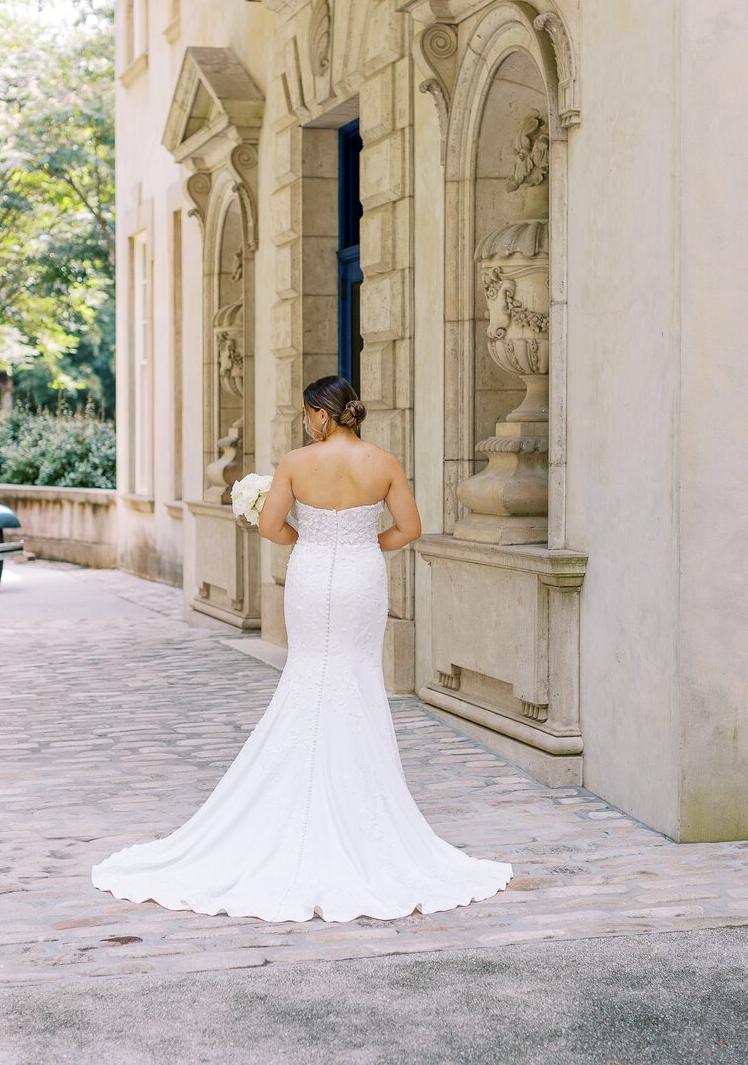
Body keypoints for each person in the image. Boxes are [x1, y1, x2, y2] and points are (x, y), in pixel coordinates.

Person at [91, 375, 513, 921]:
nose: (303, 421)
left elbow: (271, 526)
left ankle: (294, 809)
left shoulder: (296, 463)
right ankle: (367, 819)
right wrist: (362, 544)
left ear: (321, 414)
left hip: (312, 577)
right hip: (362, 577)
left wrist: (314, 541)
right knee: (357, 677)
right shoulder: (383, 462)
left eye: (306, 412)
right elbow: (410, 528)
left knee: (309, 672)